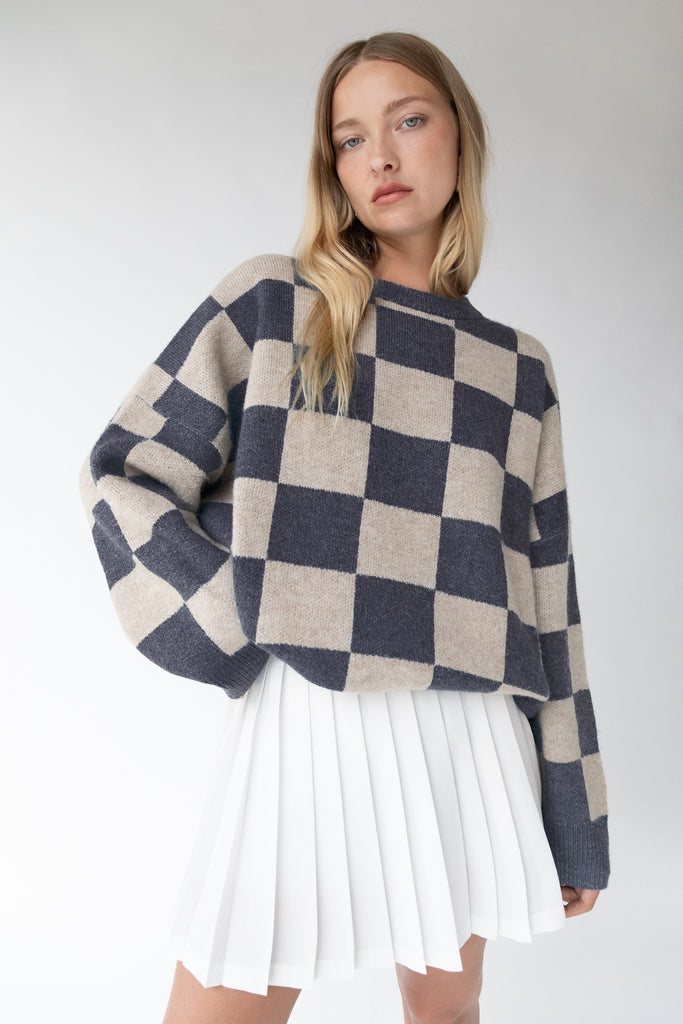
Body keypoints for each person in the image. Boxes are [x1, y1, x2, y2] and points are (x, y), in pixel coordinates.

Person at [79, 31, 610, 1024]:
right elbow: (126, 473)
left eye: (407, 120)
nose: (381, 157)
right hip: (309, 709)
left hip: (466, 726)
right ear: (331, 166)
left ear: (459, 134)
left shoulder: (516, 369)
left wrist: (574, 821)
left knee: (444, 1014)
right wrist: (249, 619)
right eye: (350, 137)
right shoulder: (274, 302)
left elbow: (548, 602)